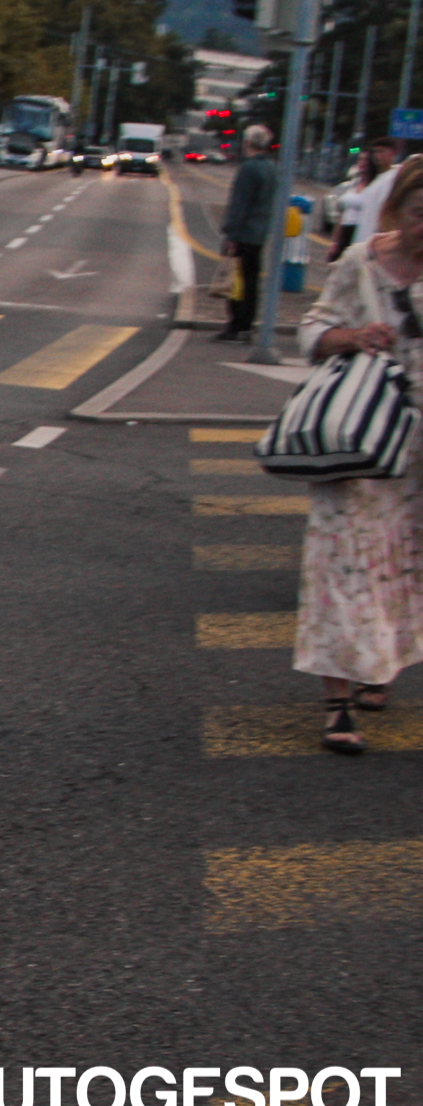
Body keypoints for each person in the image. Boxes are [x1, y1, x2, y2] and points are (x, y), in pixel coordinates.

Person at [294, 157, 423, 754]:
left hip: (416, 456)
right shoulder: (359, 263)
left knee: (401, 566)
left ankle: (379, 667)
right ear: (399, 210)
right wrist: (352, 337)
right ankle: (338, 703)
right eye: (421, 215)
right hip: (358, 440)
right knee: (343, 566)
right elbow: (311, 330)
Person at [217, 125, 281, 342]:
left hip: (243, 233)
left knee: (236, 282)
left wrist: (231, 233)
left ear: (248, 143)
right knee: (252, 281)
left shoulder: (249, 168)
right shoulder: (272, 168)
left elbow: (240, 203)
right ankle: (247, 324)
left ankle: (235, 324)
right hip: (259, 233)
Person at [331, 139, 400, 261]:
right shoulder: (374, 180)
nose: (378, 156)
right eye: (376, 152)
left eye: (382, 152)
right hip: (359, 239)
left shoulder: (394, 178)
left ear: (393, 153)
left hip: (375, 244)